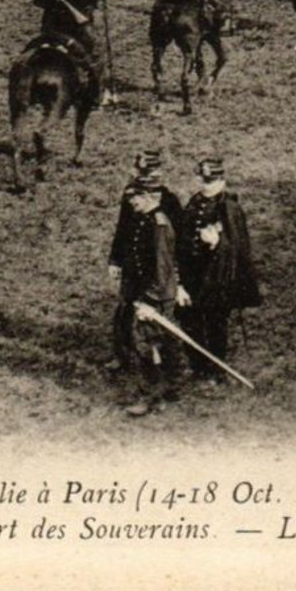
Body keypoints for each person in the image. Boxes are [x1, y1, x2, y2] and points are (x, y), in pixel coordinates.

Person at [107, 152, 189, 417]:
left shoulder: (159, 227)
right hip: (150, 291)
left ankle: (151, 394)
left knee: (148, 344)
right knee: (163, 342)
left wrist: (147, 302)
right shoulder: (147, 219)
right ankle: (170, 388)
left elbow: (163, 268)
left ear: (151, 198)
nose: (132, 203)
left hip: (155, 295)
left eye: (137, 198)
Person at [175, 157, 261, 384]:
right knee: (190, 320)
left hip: (217, 277)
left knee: (215, 322)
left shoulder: (230, 208)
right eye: (203, 180)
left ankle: (215, 368)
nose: (206, 185)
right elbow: (182, 240)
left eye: (211, 181)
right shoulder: (195, 202)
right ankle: (197, 365)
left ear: (221, 180)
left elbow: (238, 249)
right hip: (191, 275)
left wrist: (216, 244)